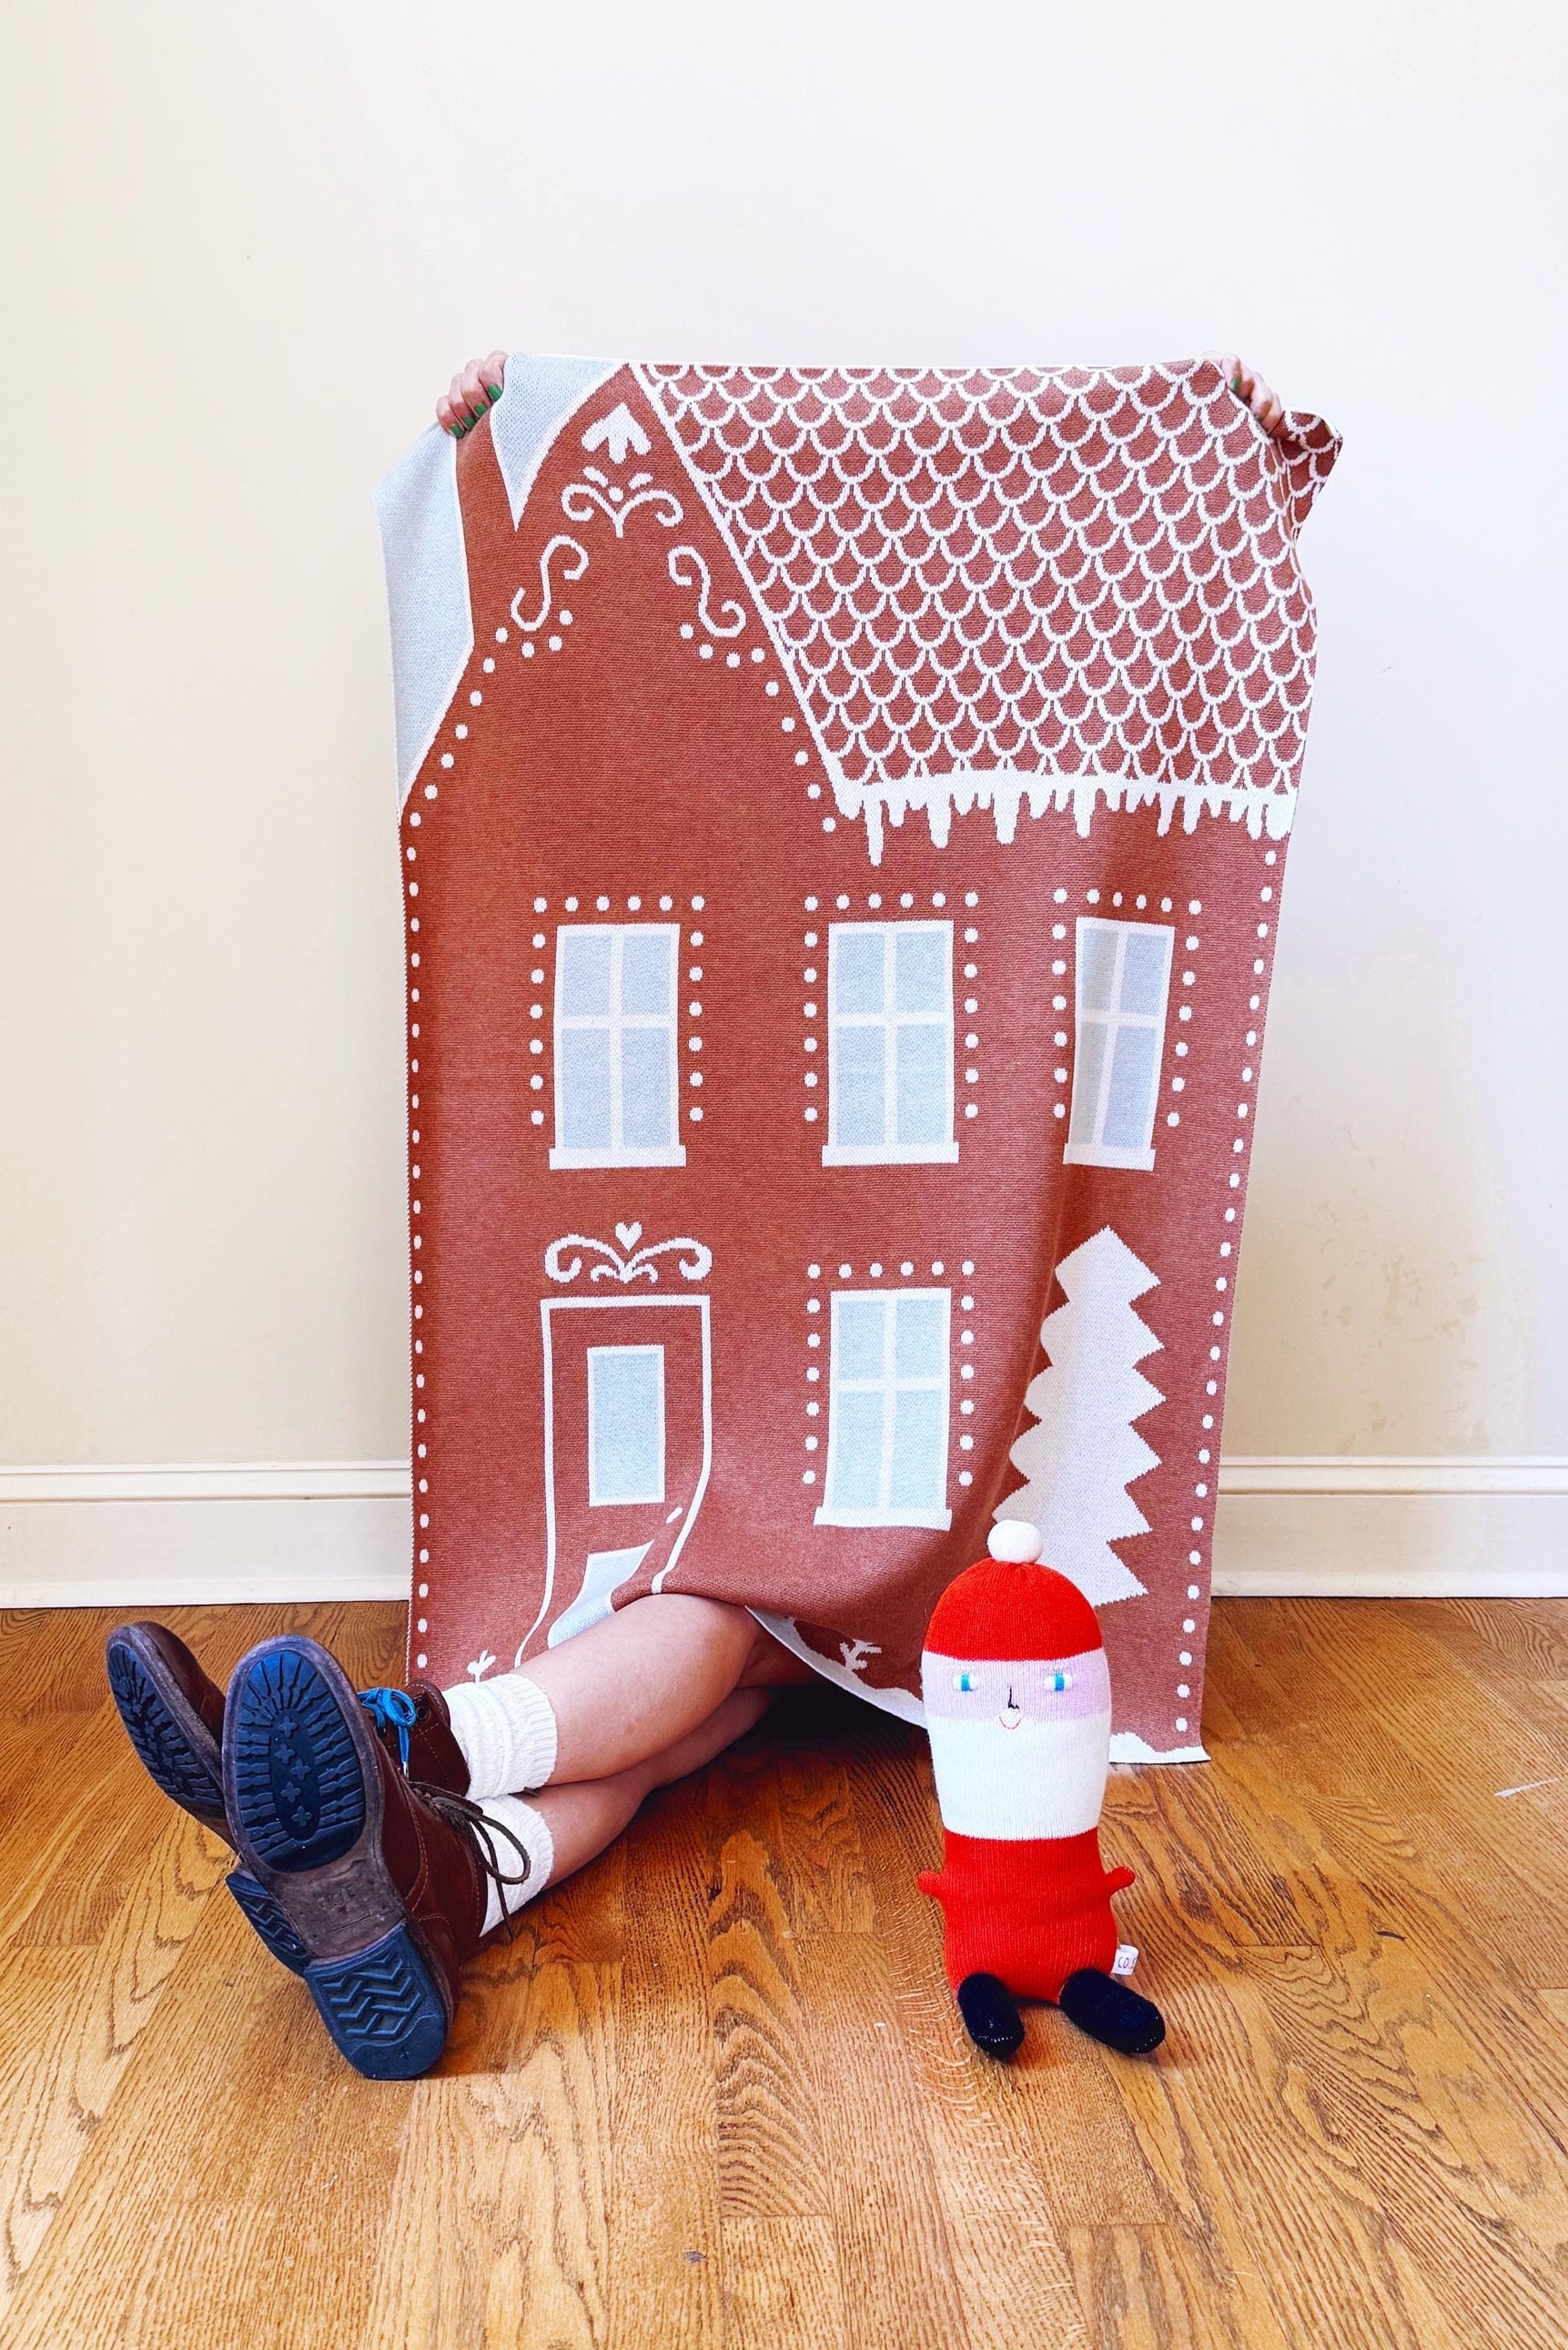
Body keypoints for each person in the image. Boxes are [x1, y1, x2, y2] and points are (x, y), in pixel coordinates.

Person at [109, 344, 1289, 2082]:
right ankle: (420, 1883)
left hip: (891, 1605)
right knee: (694, 1708)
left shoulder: (890, 737)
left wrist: (1220, 455)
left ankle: (400, 1740)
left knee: (731, 1613)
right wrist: (501, 458)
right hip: (765, 1672)